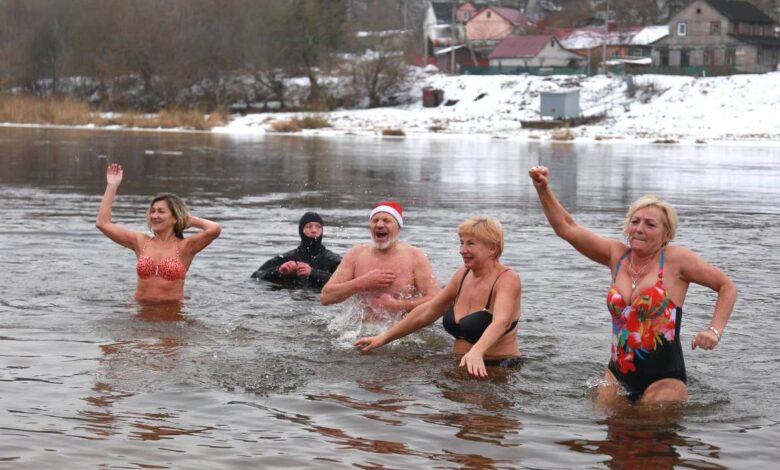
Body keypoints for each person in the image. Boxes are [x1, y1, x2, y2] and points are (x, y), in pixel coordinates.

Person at [528, 165, 736, 404]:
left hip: (664, 378)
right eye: (635, 221)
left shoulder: (676, 260)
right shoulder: (616, 255)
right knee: (608, 431)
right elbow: (567, 228)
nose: (639, 229)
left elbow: (726, 286)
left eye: (650, 224)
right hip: (616, 374)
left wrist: (714, 330)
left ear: (667, 234)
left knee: (646, 435)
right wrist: (543, 188)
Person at [355, 216, 522, 379]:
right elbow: (429, 309)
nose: (462, 250)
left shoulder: (507, 279)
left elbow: (501, 322)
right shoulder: (463, 275)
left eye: (470, 244)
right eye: (461, 242)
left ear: (492, 249)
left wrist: (477, 352)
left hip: (497, 369)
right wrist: (383, 338)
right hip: (460, 365)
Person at [96, 163, 222, 302]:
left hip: (171, 317)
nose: (154, 216)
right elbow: (103, 223)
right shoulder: (140, 241)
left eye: (161, 212)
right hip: (140, 315)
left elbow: (215, 229)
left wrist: (191, 221)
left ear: (175, 218)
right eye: (153, 211)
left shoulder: (186, 247)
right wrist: (112, 186)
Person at [320, 202, 440, 319]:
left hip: (399, 332)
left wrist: (398, 306)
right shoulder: (356, 254)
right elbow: (326, 297)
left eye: (386, 220)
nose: (380, 225)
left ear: (399, 228)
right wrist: (361, 283)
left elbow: (437, 300)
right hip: (358, 330)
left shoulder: (415, 256)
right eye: (375, 220)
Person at [251, 212, 342, 288]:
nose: (314, 230)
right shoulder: (288, 258)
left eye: (318, 227)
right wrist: (278, 271)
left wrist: (313, 273)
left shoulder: (333, 259)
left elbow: (346, 280)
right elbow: (256, 276)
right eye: (309, 226)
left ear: (322, 230)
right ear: (301, 230)